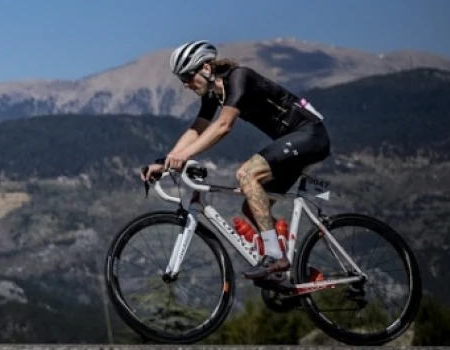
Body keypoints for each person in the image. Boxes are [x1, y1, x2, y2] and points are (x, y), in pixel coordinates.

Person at [142, 39, 331, 282]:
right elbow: (197, 129)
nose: (186, 85)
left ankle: (275, 256)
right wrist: (166, 161)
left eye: (188, 77)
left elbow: (223, 126)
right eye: (182, 80)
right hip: (293, 143)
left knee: (246, 174)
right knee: (251, 205)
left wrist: (184, 156)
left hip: (310, 135)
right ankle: (301, 272)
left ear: (206, 69)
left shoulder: (239, 77)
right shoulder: (213, 96)